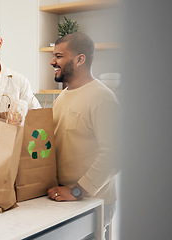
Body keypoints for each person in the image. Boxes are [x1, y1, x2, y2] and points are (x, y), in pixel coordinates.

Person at [47, 32, 119, 237]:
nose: (52, 61)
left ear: (80, 59)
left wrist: (77, 191)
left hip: (92, 201)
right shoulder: (62, 98)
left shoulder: (103, 98)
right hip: (65, 198)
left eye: (59, 56)